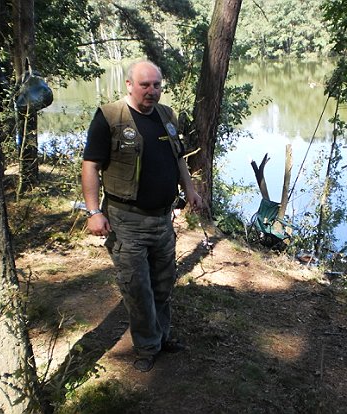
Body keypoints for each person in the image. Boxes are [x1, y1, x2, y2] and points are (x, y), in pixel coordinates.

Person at [82, 59, 203, 372]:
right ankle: (147, 347)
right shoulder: (110, 117)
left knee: (163, 284)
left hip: (163, 220)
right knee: (137, 288)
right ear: (129, 85)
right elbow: (91, 165)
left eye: (156, 85)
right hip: (127, 221)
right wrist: (94, 211)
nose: (152, 91)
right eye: (145, 85)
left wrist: (190, 190)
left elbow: (179, 159)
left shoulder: (166, 115)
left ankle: (161, 336)